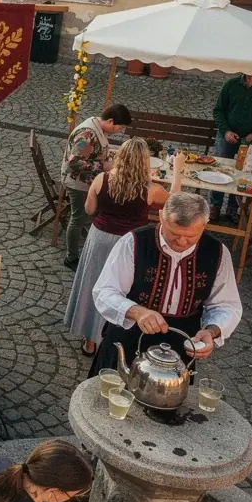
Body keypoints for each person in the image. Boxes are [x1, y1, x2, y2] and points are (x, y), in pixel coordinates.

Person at [90, 191, 243, 376]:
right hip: (129, 335)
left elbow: (226, 305)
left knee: (165, 401)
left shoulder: (217, 252)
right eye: (174, 233)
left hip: (180, 345)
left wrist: (212, 332)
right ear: (161, 217)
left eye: (191, 237)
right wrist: (137, 312)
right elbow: (104, 291)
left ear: (205, 225)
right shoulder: (134, 242)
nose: (182, 241)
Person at [63, 139, 175, 356]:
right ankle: (114, 337)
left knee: (95, 286)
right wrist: (177, 171)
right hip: (131, 243)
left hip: (100, 239)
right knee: (124, 289)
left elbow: (89, 209)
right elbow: (174, 204)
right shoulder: (151, 189)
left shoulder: (101, 179)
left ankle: (90, 340)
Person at [60, 104, 132, 269]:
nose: (119, 130)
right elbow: (74, 162)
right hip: (78, 183)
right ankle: (71, 257)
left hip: (87, 181)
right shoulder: (87, 134)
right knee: (78, 218)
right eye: (120, 127)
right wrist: (105, 166)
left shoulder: (97, 128)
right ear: (111, 121)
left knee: (83, 217)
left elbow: (92, 153)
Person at [211, 72, 252, 221]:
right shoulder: (231, 84)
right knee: (220, 169)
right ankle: (215, 204)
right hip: (227, 135)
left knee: (243, 174)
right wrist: (226, 131)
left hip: (249, 139)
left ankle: (233, 207)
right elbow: (218, 111)